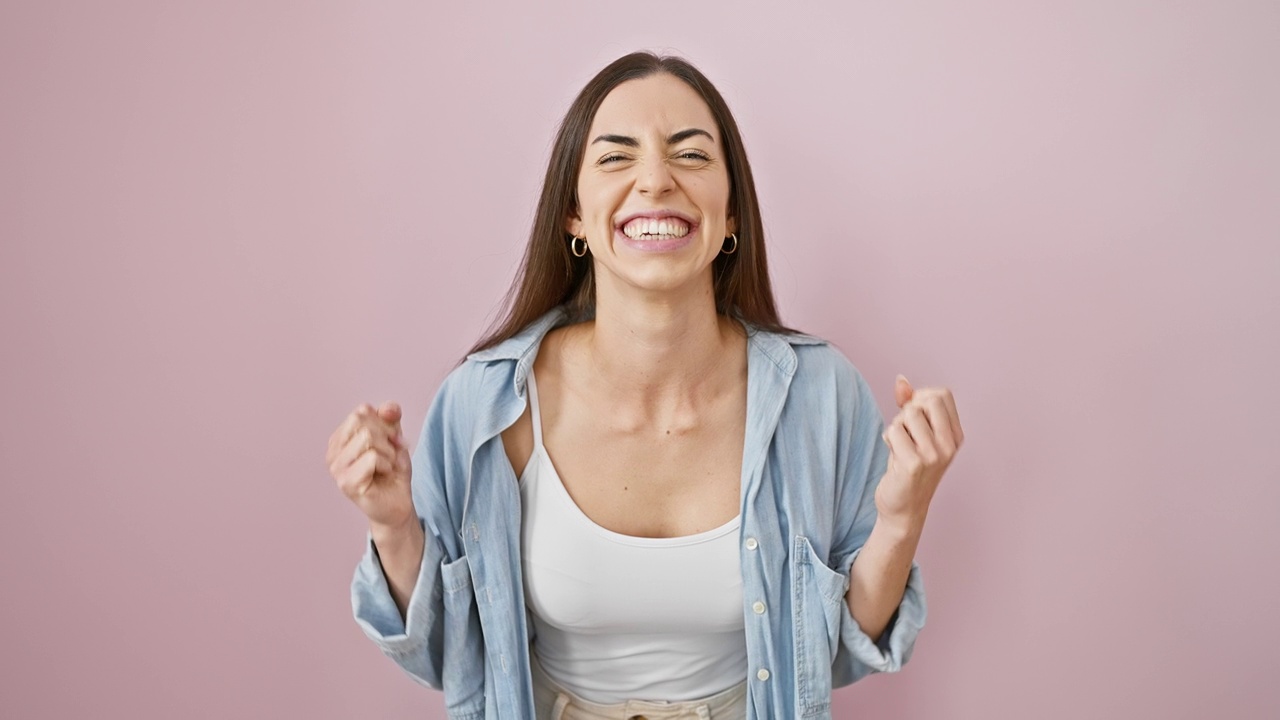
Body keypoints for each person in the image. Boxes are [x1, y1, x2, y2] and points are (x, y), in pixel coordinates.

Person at [325, 51, 963, 720]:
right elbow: (446, 659)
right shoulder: (485, 406)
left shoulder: (821, 395)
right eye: (615, 157)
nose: (655, 180)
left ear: (733, 215)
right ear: (574, 216)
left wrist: (901, 517)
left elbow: (839, 651)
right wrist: (393, 525)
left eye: (690, 156)